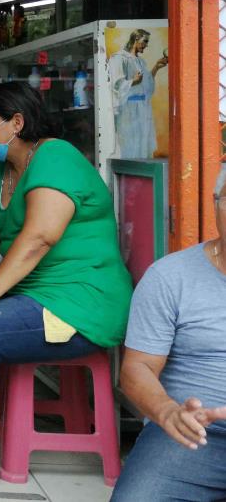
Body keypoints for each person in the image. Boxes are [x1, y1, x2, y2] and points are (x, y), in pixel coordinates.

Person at [0, 81, 133, 500]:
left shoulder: (55, 158)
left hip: (80, 305)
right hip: (33, 297)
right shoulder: (3, 173)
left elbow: (38, 239)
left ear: (16, 122)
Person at [111, 167, 226, 501]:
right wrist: (166, 411)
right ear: (216, 204)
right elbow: (137, 369)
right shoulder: (169, 276)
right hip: (190, 434)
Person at [107, 29, 167, 158]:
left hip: (143, 109)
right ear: (136, 39)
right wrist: (132, 82)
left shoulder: (141, 61)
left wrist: (156, 67)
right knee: (130, 144)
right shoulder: (119, 58)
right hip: (128, 110)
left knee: (143, 145)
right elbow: (116, 84)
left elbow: (146, 85)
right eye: (144, 41)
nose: (146, 45)